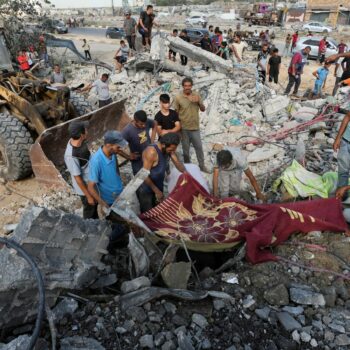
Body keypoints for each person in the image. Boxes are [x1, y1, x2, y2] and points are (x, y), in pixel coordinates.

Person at [138, 132, 185, 213]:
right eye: (171, 149)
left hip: (158, 185)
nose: (172, 151)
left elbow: (179, 166)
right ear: (163, 145)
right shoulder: (151, 152)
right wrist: (157, 191)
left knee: (157, 213)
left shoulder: (168, 149)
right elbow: (144, 175)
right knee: (148, 214)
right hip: (146, 189)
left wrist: (186, 174)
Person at [64, 121, 98, 219]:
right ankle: (88, 230)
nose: (87, 131)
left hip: (91, 181)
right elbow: (78, 178)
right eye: (85, 130)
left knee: (95, 207)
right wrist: (88, 196)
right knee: (89, 210)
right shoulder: (71, 155)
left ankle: (97, 225)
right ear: (81, 135)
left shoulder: (79, 141)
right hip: (85, 189)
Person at [174, 77, 208, 173]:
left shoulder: (196, 95)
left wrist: (198, 102)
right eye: (185, 86)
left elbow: (203, 109)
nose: (187, 88)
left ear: (191, 86)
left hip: (195, 128)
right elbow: (175, 114)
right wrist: (178, 128)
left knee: (199, 149)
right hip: (184, 128)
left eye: (189, 86)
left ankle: (202, 166)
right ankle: (188, 168)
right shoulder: (178, 97)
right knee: (186, 151)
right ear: (183, 86)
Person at [88, 131, 128, 208]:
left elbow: (116, 171)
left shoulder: (112, 153)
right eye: (118, 147)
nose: (120, 150)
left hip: (119, 194)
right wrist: (103, 204)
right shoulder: (97, 161)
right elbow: (90, 187)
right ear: (109, 145)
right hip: (109, 201)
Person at [121, 110, 157, 175]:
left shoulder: (146, 121)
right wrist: (128, 156)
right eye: (141, 124)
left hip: (149, 155)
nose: (143, 126)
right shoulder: (127, 131)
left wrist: (152, 142)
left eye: (144, 123)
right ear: (135, 121)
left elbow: (155, 123)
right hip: (137, 160)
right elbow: (117, 147)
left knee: (151, 175)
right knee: (139, 179)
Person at [333, 112, 350, 196]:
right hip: (345, 141)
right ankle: (341, 196)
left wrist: (345, 188)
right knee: (342, 171)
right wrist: (338, 138)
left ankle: (343, 191)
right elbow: (347, 116)